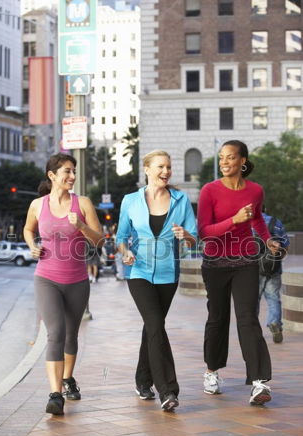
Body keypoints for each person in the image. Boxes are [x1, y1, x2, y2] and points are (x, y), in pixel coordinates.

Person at [197, 140, 280, 406]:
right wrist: (234, 220)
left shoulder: (255, 190)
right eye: (221, 158)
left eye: (230, 158)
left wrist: (267, 239)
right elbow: (204, 231)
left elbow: (256, 219)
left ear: (242, 161)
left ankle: (258, 381)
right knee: (218, 318)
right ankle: (211, 371)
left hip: (245, 260)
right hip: (215, 262)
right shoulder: (209, 191)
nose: (224, 162)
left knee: (248, 318)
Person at [116, 150, 197, 411]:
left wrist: (185, 234)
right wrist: (125, 252)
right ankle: (168, 391)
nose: (166, 171)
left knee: (153, 326)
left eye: (169, 167)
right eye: (161, 166)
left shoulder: (180, 199)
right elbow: (120, 238)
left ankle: (142, 380)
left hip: (168, 273)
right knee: (154, 324)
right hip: (138, 272)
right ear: (148, 170)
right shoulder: (130, 200)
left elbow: (194, 238)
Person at [24, 153, 103, 416]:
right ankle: (55, 394)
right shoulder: (38, 205)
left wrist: (80, 225)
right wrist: (32, 245)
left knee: (71, 334)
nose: (72, 177)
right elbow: (27, 229)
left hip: (77, 280)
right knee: (55, 333)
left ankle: (68, 378)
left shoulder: (83, 203)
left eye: (74, 172)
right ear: (52, 176)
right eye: (67, 172)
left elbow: (99, 241)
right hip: (46, 278)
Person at [258, 207, 290, 343]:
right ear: (264, 208)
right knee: (273, 298)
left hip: (252, 270)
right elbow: (285, 244)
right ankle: (275, 322)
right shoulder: (275, 222)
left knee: (253, 300)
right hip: (273, 268)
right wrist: (277, 259)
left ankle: (252, 330)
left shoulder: (246, 223)